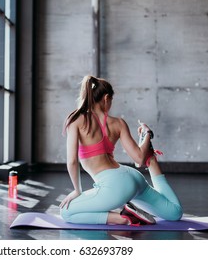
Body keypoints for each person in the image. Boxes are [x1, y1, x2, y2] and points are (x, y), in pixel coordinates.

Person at [59, 75, 183, 225]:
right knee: (174, 213)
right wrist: (147, 135)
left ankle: (124, 218)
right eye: (111, 100)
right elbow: (139, 159)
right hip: (133, 178)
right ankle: (152, 160)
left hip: (114, 187)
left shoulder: (76, 120)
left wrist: (76, 190)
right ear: (106, 98)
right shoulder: (118, 123)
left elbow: (72, 161)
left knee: (66, 212)